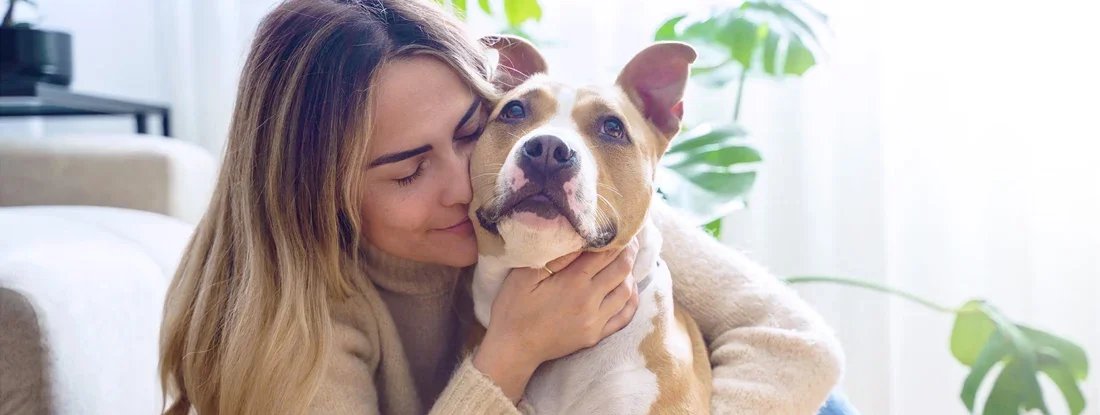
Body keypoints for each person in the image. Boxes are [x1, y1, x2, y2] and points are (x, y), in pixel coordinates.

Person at [158, 0, 855, 414]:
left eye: (472, 132)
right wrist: (510, 352)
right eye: (407, 170)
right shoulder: (294, 324)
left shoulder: (566, 201)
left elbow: (798, 347)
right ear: (321, 199)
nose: (464, 184)